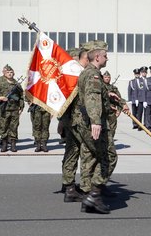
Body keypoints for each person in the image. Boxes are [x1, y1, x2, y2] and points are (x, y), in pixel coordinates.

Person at [76, 40, 125, 214]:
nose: (107, 58)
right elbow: (92, 97)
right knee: (109, 157)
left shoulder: (88, 73)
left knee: (90, 157)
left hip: (85, 121)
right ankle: (94, 195)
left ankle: (88, 195)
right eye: (105, 55)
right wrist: (96, 121)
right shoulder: (94, 75)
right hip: (94, 123)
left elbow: (95, 94)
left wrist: (108, 93)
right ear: (97, 56)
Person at [61, 46, 89, 202]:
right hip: (78, 122)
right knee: (84, 153)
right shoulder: (75, 77)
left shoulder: (67, 78)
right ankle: (80, 188)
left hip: (69, 121)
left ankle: (68, 186)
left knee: (71, 153)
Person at [0, 65, 24, 152]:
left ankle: (13, 145)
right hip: (4, 109)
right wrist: (0, 97)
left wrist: (21, 107)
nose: (10, 74)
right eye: (8, 72)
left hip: (14, 109)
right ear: (4, 73)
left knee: (14, 127)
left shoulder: (16, 84)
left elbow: (21, 96)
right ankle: (4, 144)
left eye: (11, 72)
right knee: (3, 127)